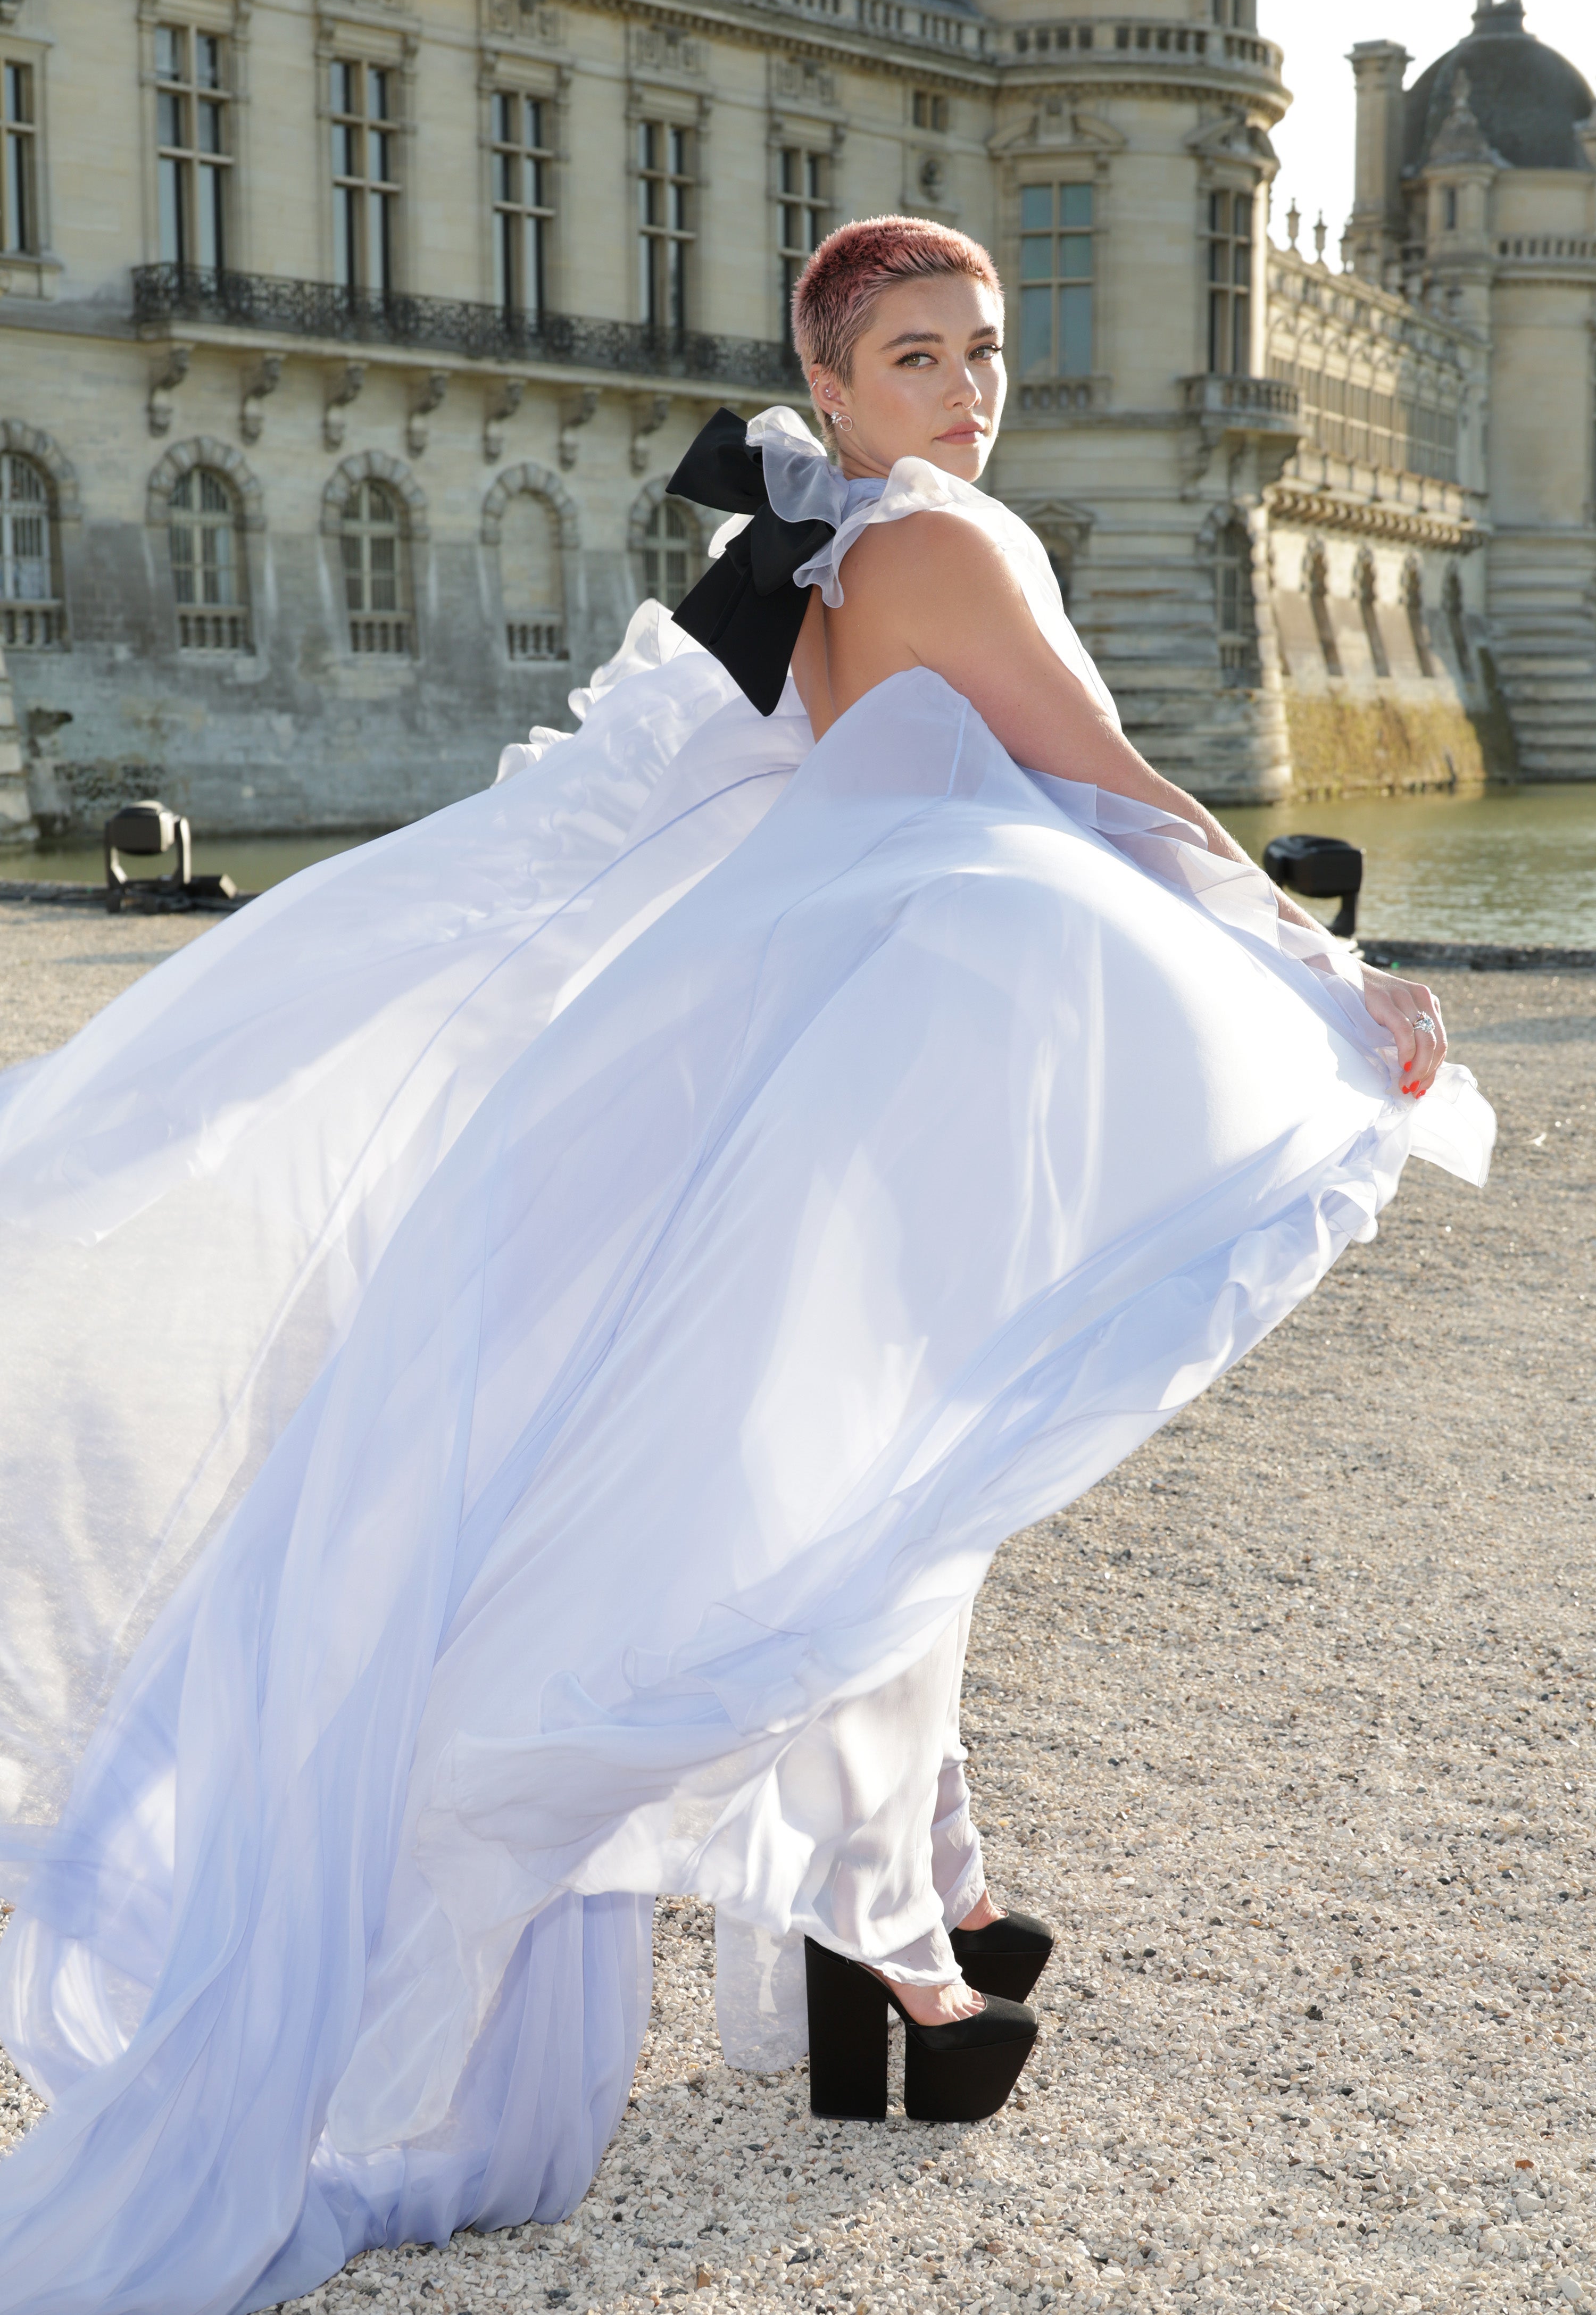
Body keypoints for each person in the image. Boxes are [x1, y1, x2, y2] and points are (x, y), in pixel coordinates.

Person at [0, 215, 1491, 2313]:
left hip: (758, 1100)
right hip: (866, 1121)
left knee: (836, 1517)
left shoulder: (781, 570)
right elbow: (1127, 796)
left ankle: (913, 1944)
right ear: (837, 383)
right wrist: (1339, 979)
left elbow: (629, 822)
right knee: (857, 1522)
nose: (972, 388)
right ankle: (905, 1967)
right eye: (918, 357)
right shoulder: (946, 550)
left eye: (984, 349)